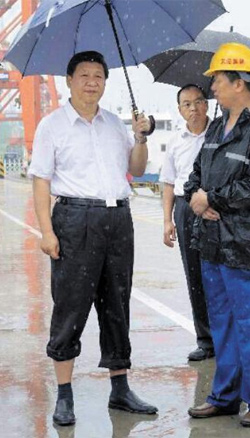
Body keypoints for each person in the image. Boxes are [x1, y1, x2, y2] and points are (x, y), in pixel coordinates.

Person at [28, 51, 158, 426]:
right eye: (84, 75)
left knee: (117, 303)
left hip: (118, 218)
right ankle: (64, 394)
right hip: (74, 218)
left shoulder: (116, 123)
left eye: (98, 75)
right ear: (69, 80)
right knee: (70, 305)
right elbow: (41, 181)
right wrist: (46, 231)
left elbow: (135, 169)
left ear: (105, 82)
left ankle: (120, 389)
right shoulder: (52, 126)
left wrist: (140, 138)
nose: (91, 81)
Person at [185, 42, 250, 427]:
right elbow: (197, 171)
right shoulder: (214, 126)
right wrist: (197, 196)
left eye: (218, 81)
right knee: (222, 320)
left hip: (242, 243)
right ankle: (224, 396)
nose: (212, 89)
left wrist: (216, 199)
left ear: (240, 82)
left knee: (247, 321)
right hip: (210, 240)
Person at [159, 84, 214, 361]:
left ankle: (228, 336)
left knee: (220, 274)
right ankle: (205, 340)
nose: (194, 108)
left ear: (207, 103)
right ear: (180, 109)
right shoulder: (175, 141)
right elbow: (168, 183)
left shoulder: (219, 135)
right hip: (185, 210)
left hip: (216, 208)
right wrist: (167, 220)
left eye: (199, 101)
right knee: (194, 276)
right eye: (187, 104)